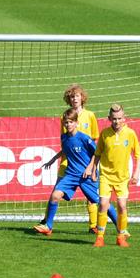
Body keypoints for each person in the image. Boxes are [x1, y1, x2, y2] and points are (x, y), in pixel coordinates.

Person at [34, 108, 118, 236]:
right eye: (66, 122)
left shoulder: (84, 138)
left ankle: (121, 227)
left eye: (71, 122)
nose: (68, 125)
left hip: (86, 176)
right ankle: (48, 226)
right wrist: (53, 159)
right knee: (55, 195)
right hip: (71, 175)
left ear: (76, 123)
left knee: (102, 203)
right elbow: (66, 150)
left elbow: (97, 153)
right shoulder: (64, 138)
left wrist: (90, 168)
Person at [40, 84, 102, 231]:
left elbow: (94, 139)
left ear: (82, 98)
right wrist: (54, 159)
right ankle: (46, 222)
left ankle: (93, 225)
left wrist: (92, 164)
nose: (74, 99)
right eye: (72, 96)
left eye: (77, 96)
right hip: (68, 161)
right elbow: (66, 142)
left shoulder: (90, 115)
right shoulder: (65, 117)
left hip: (86, 160)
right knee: (57, 190)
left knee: (91, 194)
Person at [84, 103, 140, 247]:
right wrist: (93, 170)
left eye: (119, 118)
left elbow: (138, 155)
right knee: (103, 204)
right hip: (106, 176)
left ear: (124, 118)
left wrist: (136, 172)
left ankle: (121, 237)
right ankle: (100, 237)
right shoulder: (105, 133)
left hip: (122, 177)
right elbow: (97, 153)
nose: (117, 121)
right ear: (109, 118)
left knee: (122, 205)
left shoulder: (130, 134)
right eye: (114, 118)